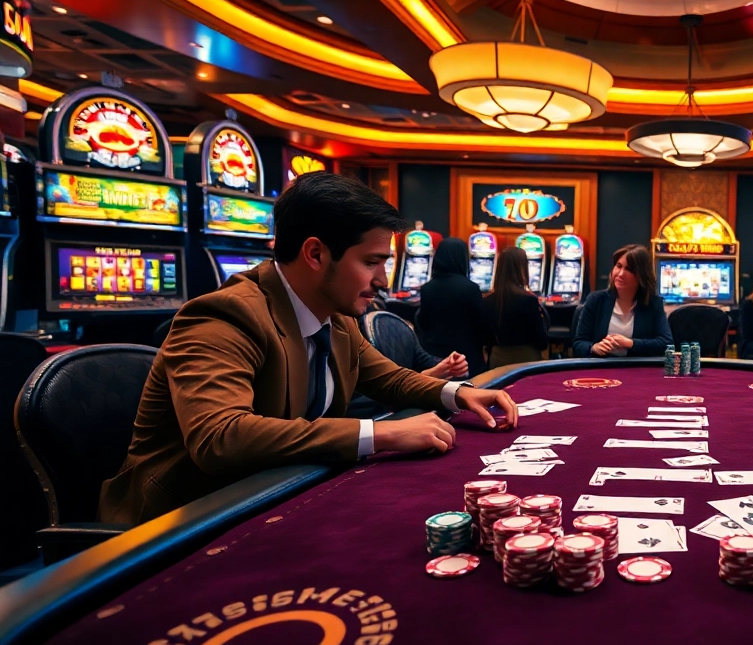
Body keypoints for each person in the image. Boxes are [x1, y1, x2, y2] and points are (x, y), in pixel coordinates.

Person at [98, 172, 519, 525]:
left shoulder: (334, 316)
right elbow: (220, 438)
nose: (383, 281)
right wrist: (379, 433)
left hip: (278, 496)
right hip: (182, 527)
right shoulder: (222, 317)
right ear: (315, 253)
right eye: (371, 262)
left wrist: (459, 393)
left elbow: (387, 377)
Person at [572, 244, 672, 357]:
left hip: (635, 369)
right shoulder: (596, 300)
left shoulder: (653, 303)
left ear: (641, 276)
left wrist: (631, 343)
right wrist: (593, 348)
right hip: (601, 368)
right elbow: (578, 344)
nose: (620, 274)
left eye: (629, 269)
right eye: (618, 266)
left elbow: (666, 344)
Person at [415, 237, 494, 376]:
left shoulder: (427, 288)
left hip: (434, 357)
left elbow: (423, 323)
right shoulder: (470, 288)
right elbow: (481, 326)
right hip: (465, 359)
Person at [486, 246, 550, 368]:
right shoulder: (528, 300)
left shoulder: (488, 300)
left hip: (497, 360)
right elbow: (541, 342)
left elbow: (486, 338)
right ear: (522, 268)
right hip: (526, 361)